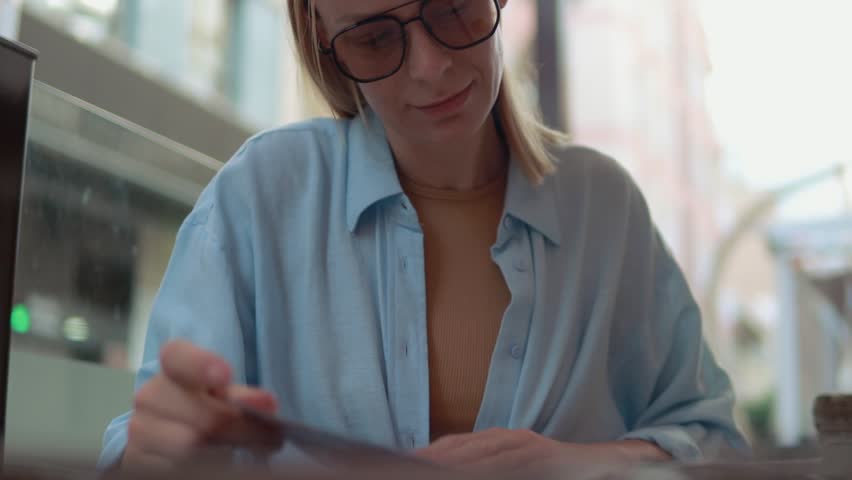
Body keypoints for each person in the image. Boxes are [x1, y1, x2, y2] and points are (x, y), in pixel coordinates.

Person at [100, 0, 747, 473]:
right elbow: (140, 443)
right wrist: (154, 451)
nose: (432, 67)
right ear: (325, 42)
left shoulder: (603, 208)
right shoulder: (264, 194)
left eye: (454, 8)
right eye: (376, 40)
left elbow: (715, 440)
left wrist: (578, 463)